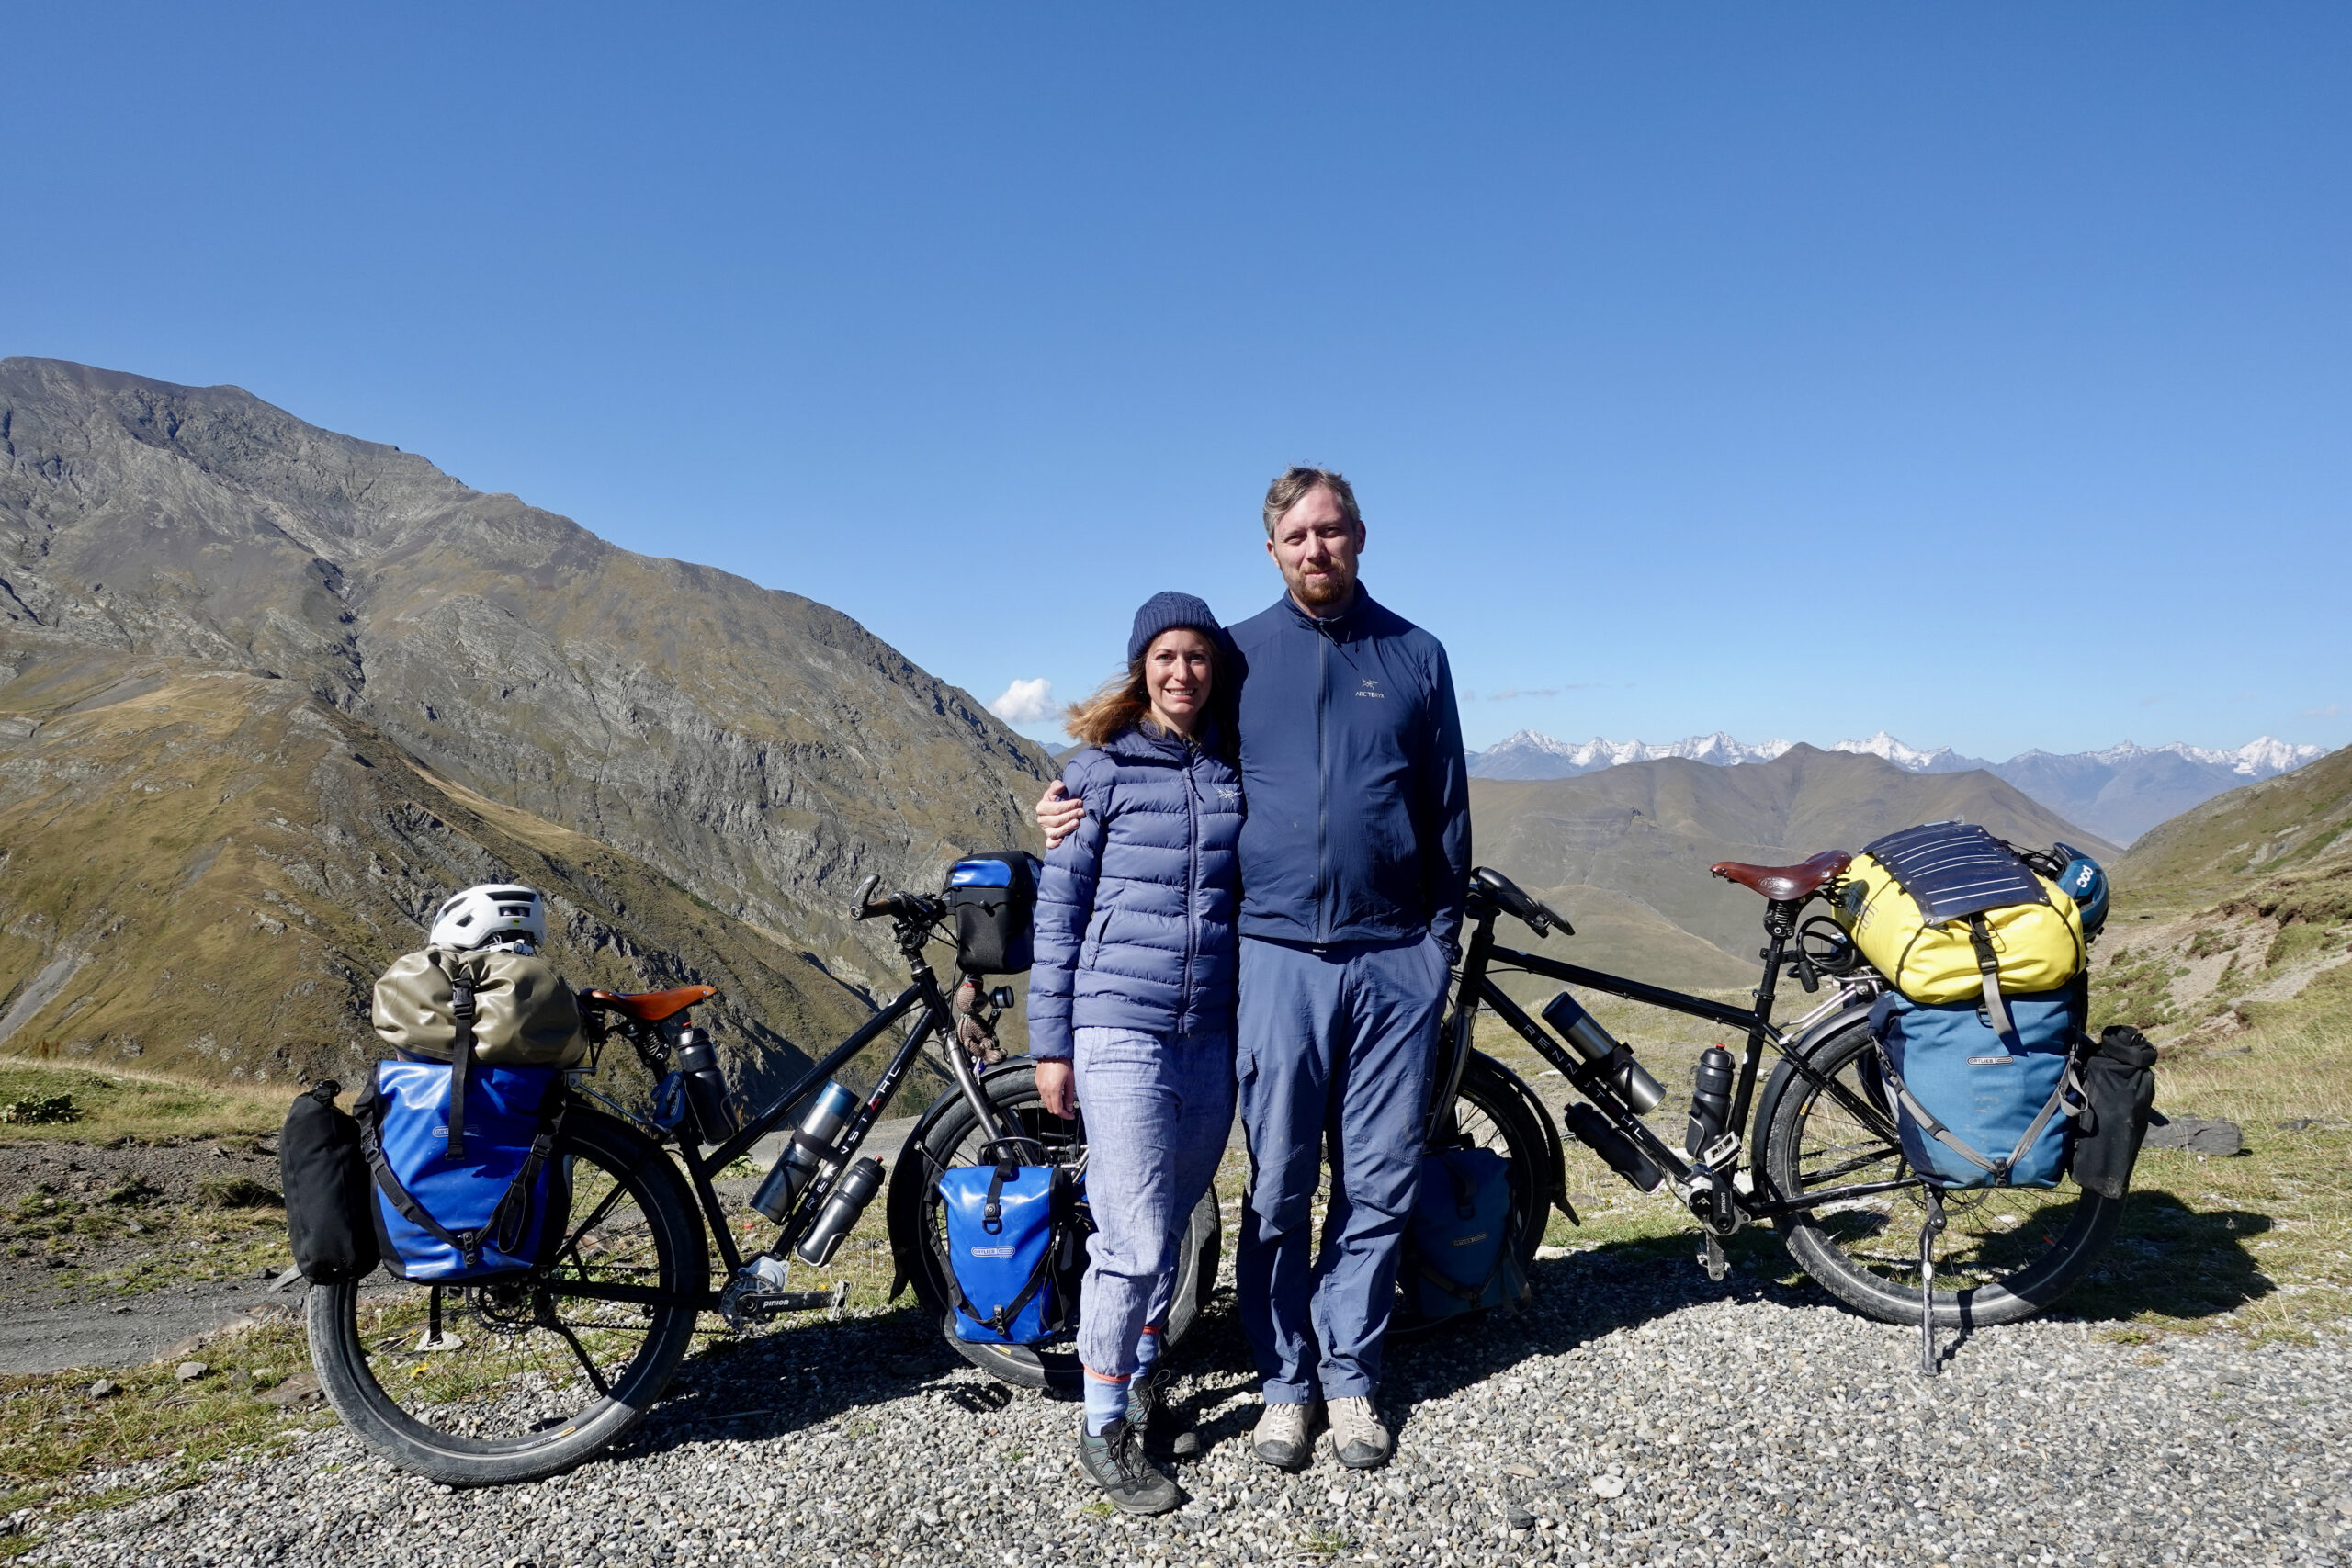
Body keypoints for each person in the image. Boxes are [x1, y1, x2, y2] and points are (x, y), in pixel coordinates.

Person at [1039, 468, 1469, 1472]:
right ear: (1271, 549)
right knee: (1278, 1185)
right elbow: (1163, 742)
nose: (1316, 548)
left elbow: (1446, 807)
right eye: (1296, 535)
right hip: (1271, 958)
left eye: (1331, 531)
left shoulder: (1414, 653)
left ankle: (1350, 1378)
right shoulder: (1237, 654)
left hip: (1392, 957)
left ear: (1359, 535)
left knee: (1375, 1182)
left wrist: (1434, 948)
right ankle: (1283, 1385)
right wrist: (1064, 802)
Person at [1028, 591, 1244, 1516]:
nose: (1182, 671)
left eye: (1197, 656)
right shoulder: (1096, 775)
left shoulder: (1236, 770)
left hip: (1211, 1029)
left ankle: (1145, 1377)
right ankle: (1102, 1425)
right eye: (1166, 656)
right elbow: (1059, 913)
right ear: (1140, 667)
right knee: (1134, 1233)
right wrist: (1050, 1046)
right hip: (1118, 1024)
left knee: (1177, 1211)